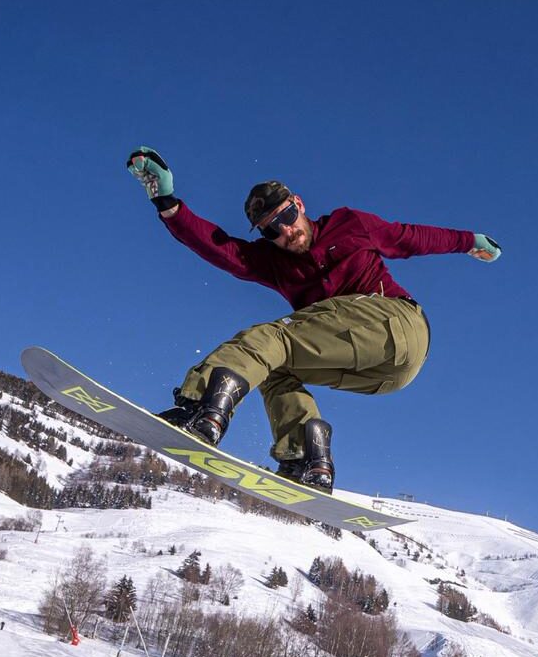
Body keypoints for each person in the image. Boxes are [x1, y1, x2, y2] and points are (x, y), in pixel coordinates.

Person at [126, 147, 501, 492]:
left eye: (288, 217)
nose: (287, 231)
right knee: (274, 368)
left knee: (273, 339)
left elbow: (410, 238)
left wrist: (470, 241)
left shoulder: (349, 224)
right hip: (386, 373)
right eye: (273, 229)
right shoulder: (273, 263)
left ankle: (200, 409)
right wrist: (168, 203)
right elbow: (219, 247)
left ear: (299, 204)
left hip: (397, 322)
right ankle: (305, 458)